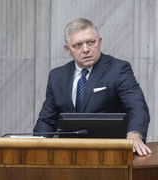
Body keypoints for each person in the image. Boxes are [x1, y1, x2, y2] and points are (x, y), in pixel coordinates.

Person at [33, 18, 151, 156]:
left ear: (99, 42)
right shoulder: (56, 76)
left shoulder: (118, 69)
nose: (86, 49)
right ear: (68, 49)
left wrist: (135, 134)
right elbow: (47, 119)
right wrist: (37, 143)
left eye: (91, 42)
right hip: (68, 156)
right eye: (77, 45)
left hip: (110, 154)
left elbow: (137, 105)